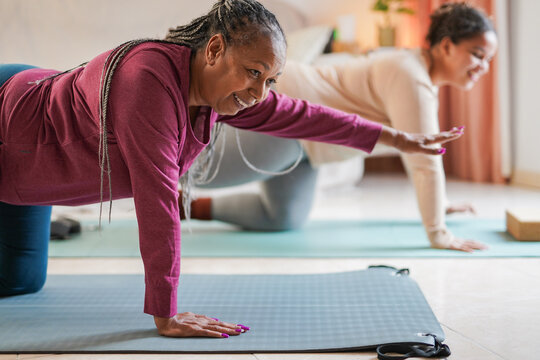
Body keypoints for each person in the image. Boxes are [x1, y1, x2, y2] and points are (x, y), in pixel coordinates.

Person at [0, 0, 462, 338]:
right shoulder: (147, 81)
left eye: (269, 79)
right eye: (253, 72)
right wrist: (165, 313)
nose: (260, 92)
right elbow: (158, 199)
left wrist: (397, 137)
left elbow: (302, 114)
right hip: (12, 118)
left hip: (30, 169)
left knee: (21, 281)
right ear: (215, 48)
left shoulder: (217, 98)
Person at [184, 2, 497, 253]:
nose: (483, 67)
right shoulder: (410, 75)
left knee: (282, 216)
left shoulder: (418, 76)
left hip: (312, 147)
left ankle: (185, 206)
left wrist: (442, 205)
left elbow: (419, 153)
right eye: (477, 54)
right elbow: (424, 160)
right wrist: (439, 234)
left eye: (488, 59)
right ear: (446, 47)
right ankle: (159, 180)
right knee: (190, 168)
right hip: (292, 114)